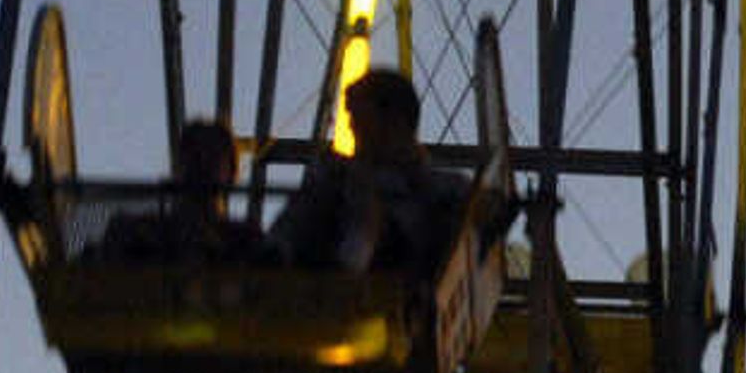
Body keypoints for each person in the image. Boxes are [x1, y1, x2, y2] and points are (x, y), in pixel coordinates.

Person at [275, 68, 469, 276]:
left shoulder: (449, 191)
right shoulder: (333, 179)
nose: (351, 126)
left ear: (395, 120)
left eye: (359, 117)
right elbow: (286, 240)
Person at [95, 117, 273, 265]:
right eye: (195, 154)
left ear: (231, 173)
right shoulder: (133, 230)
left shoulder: (246, 239)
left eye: (212, 155)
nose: (202, 163)